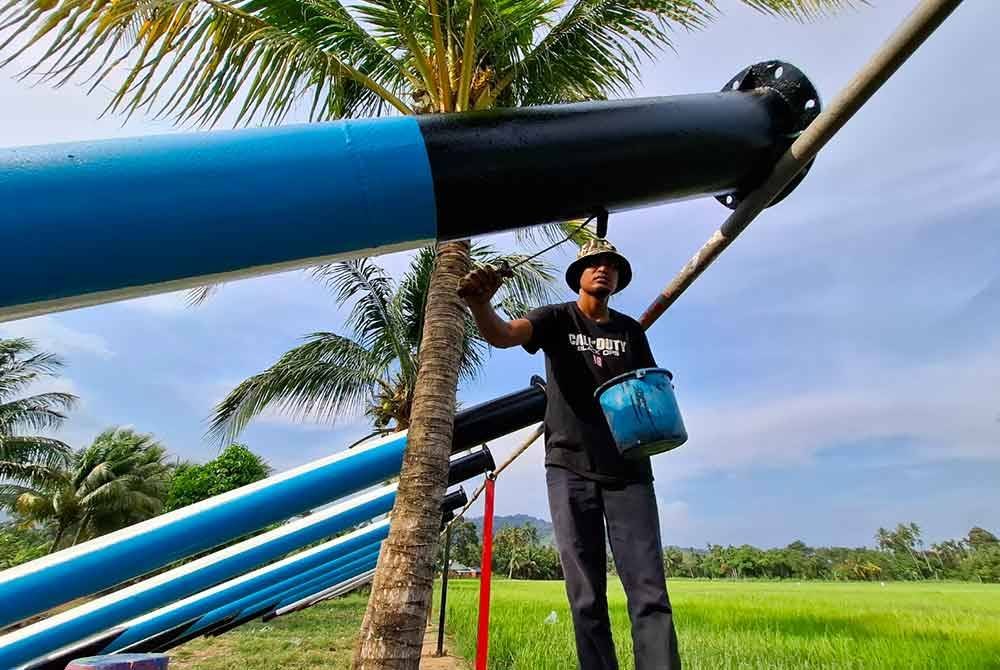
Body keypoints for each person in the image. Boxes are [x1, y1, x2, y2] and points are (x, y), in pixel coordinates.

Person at [458, 238, 682, 670]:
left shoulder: (629, 330)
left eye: (611, 265)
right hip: (569, 466)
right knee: (586, 595)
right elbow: (504, 335)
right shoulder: (556, 318)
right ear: (578, 275)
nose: (603, 270)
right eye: (594, 263)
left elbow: (646, 387)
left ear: (618, 278)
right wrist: (481, 305)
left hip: (629, 468)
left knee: (650, 591)